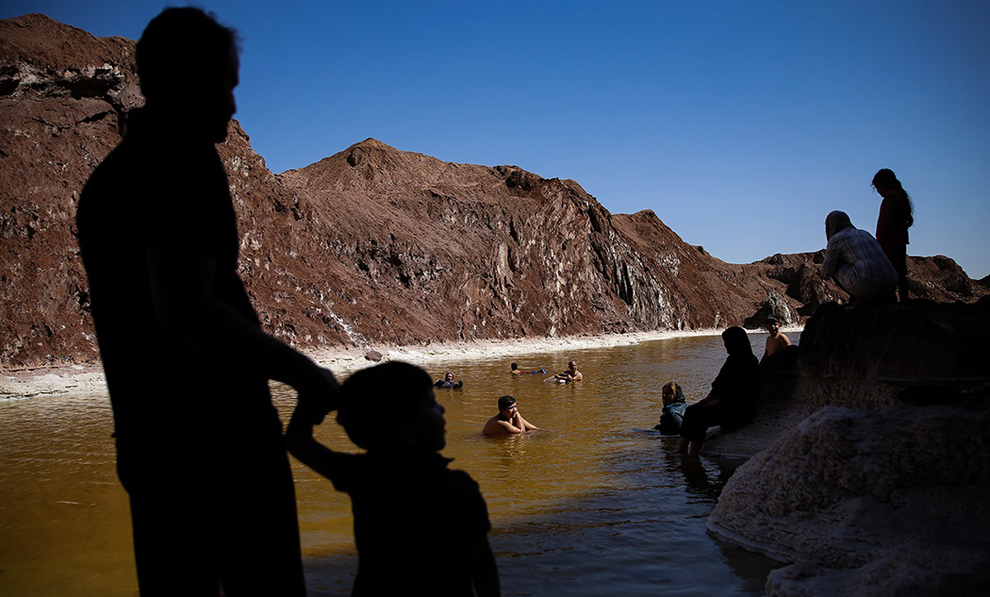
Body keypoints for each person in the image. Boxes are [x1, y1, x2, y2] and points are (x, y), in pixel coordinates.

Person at [75, 8, 337, 595]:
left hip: (149, 445)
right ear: (194, 79)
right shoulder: (182, 159)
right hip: (222, 444)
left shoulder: (110, 178)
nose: (233, 105)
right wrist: (303, 373)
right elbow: (186, 309)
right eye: (227, 85)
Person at [286, 362, 500, 596]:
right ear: (408, 431)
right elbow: (483, 568)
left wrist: (314, 401)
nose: (443, 411)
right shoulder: (457, 489)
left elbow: (298, 441)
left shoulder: (363, 475)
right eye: (431, 404)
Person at [678, 327, 760, 457]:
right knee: (691, 410)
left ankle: (693, 456)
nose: (725, 345)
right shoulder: (732, 359)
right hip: (724, 402)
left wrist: (719, 401)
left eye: (728, 342)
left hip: (739, 408)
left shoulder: (749, 361)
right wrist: (709, 398)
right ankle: (681, 451)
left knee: (698, 415)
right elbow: (719, 383)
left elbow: (744, 392)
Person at [820, 210, 898, 305]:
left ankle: (859, 297)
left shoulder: (836, 239)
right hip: (891, 283)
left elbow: (826, 272)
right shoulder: (864, 233)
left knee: (834, 263)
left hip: (868, 285)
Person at [872, 168, 914, 302]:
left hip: (891, 242)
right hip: (897, 240)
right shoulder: (899, 196)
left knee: (890, 273)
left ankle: (895, 300)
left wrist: (881, 241)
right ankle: (903, 299)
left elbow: (889, 222)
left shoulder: (891, 198)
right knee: (899, 272)